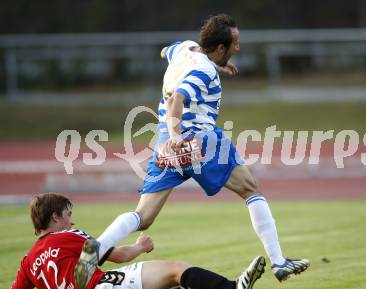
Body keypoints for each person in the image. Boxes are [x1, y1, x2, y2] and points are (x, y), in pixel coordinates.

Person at [93, 13, 309, 284]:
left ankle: (97, 248)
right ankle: (279, 262)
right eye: (235, 43)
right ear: (221, 48)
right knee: (251, 190)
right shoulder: (203, 70)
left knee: (143, 216)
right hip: (198, 141)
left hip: (165, 146)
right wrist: (176, 134)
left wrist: (217, 68)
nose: (238, 48)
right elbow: (178, 100)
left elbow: (164, 52)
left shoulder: (184, 49)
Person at [10, 193, 266, 289]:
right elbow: (117, 256)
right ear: (55, 216)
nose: (72, 221)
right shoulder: (70, 237)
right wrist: (141, 247)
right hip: (98, 286)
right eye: (68, 214)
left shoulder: (28, 261)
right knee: (176, 271)